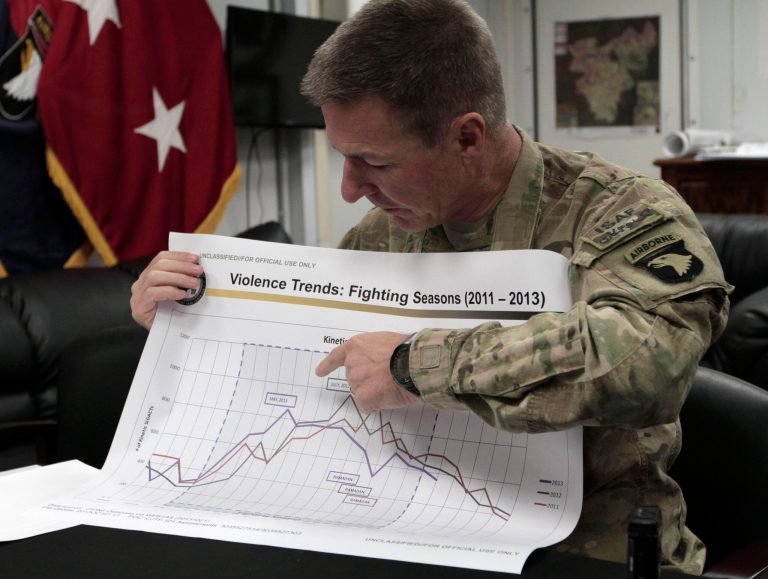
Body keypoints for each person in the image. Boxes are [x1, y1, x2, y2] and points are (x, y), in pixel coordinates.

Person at [130, 0, 731, 573]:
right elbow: (316, 364)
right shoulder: (381, 233)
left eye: (376, 162)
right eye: (341, 155)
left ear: (467, 137)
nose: (348, 189)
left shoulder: (619, 212)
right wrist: (193, 323)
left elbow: (645, 361)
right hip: (415, 534)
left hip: (586, 552)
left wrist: (415, 366)